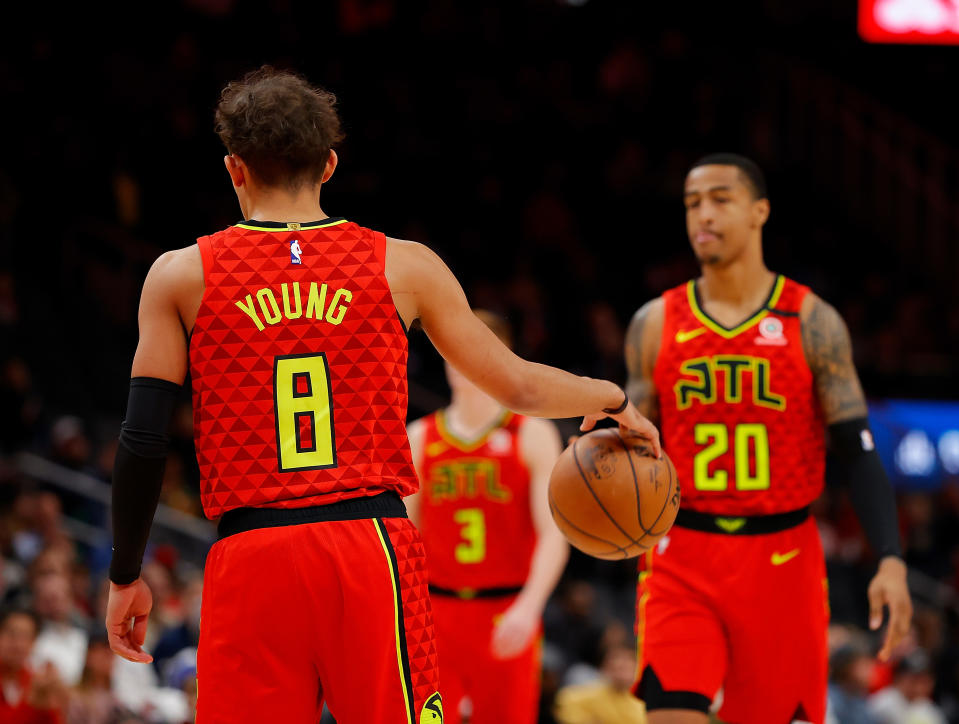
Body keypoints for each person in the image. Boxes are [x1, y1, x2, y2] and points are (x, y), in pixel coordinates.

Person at [103, 66, 659, 724]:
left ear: (234, 169)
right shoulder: (403, 264)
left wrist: (124, 573)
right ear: (330, 164)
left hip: (251, 557)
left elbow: (141, 439)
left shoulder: (179, 276)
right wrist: (613, 400)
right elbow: (515, 382)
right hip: (369, 548)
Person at [624, 153, 912, 724]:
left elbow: (855, 447)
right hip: (683, 552)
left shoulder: (812, 321)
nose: (702, 214)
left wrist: (891, 557)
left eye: (719, 199)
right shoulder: (655, 323)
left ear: (760, 211)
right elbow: (636, 447)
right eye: (691, 203)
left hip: (784, 559)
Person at [406, 310, 568, 724]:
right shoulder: (421, 436)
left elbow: (554, 533)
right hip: (435, 613)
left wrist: (530, 607)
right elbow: (402, 538)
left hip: (506, 608)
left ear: (498, 357)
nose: (459, 361)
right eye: (452, 349)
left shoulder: (531, 433)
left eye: (471, 350)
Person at [0, 607, 66, 724]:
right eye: (12, 634)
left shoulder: (35, 680)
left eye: (26, 636)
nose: (18, 644)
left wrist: (51, 702)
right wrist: (32, 702)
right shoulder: (36, 686)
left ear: (34, 643)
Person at [554, 645, 648, 724]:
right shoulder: (588, 694)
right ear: (605, 668)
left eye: (625, 668)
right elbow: (563, 705)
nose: (620, 674)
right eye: (616, 668)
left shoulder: (643, 700)